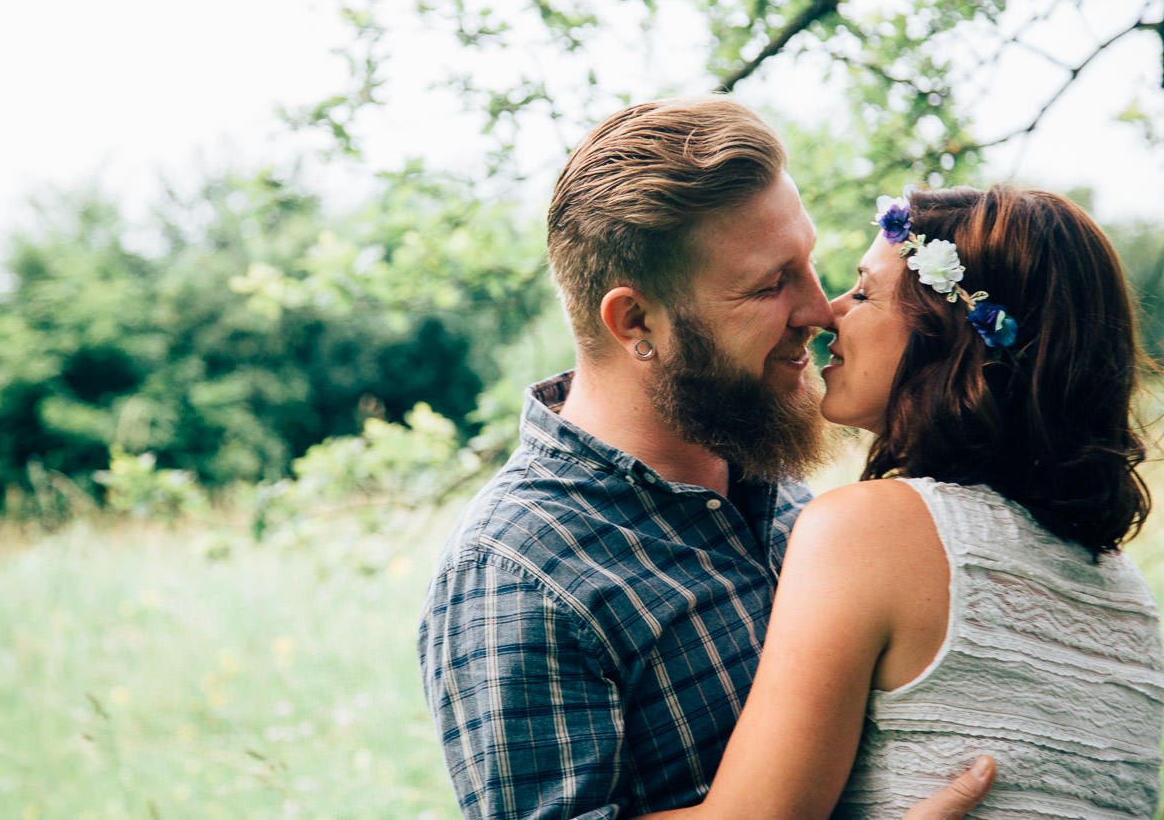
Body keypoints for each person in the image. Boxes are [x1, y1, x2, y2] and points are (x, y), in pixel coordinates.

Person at [417, 96, 995, 819]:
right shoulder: (518, 572)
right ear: (636, 322)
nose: (821, 312)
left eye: (809, 263)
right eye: (770, 283)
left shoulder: (783, 490)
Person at [637, 185, 1164, 819]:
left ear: (951, 333)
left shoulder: (870, 530)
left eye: (864, 293)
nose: (830, 312)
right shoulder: (1130, 598)